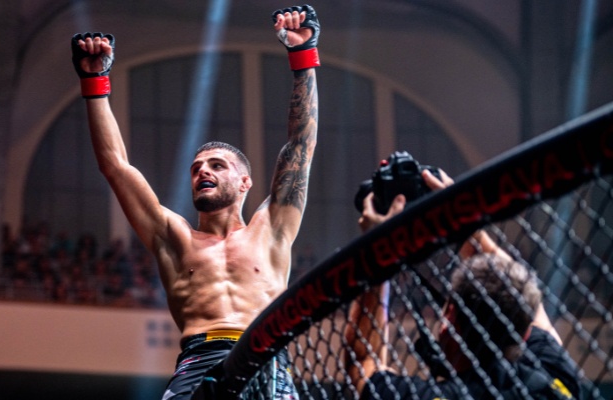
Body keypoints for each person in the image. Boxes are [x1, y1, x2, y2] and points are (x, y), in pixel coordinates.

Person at [70, 4, 320, 399]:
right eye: (196, 167)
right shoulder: (174, 237)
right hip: (199, 360)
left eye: (217, 165)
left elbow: (301, 145)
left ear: (245, 182)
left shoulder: (271, 228)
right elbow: (115, 167)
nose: (203, 170)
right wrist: (94, 81)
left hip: (267, 359)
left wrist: (303, 54)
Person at [347, 169, 581, 399]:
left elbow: (362, 363)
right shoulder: (556, 380)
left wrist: (377, 249)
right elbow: (526, 302)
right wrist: (463, 221)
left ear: (449, 319)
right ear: (525, 334)